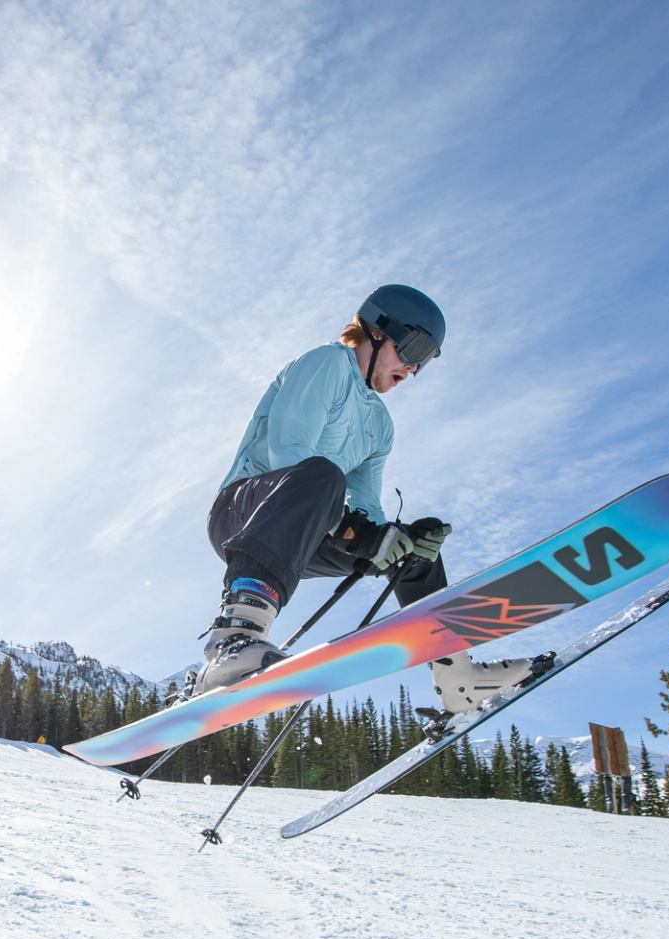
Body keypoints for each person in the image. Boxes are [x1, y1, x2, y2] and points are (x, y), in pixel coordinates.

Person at [196, 284, 531, 713]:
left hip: (311, 523)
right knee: (321, 474)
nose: (413, 367)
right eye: (414, 347)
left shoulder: (379, 425)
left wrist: (391, 537)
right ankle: (234, 637)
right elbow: (289, 451)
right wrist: (352, 528)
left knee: (409, 550)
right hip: (247, 512)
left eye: (425, 361)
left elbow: (367, 508)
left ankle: (457, 676)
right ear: (376, 329)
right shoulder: (326, 363)